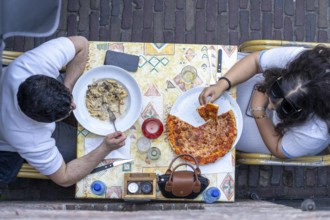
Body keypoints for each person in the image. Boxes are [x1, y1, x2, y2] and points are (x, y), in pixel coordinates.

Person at [0, 36, 127, 186]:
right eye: (67, 112)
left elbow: (81, 43)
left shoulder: (34, 65)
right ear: (44, 122)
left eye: (69, 100)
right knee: (90, 148)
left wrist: (68, 87)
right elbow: (64, 178)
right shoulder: (28, 137)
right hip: (10, 134)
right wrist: (105, 148)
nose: (74, 106)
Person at [199, 45, 330, 159]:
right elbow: (256, 61)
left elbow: (278, 148)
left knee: (219, 137)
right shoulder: (300, 61)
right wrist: (222, 84)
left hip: (276, 132)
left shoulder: (314, 134)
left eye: (282, 109)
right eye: (273, 98)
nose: (271, 107)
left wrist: (259, 112)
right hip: (264, 84)